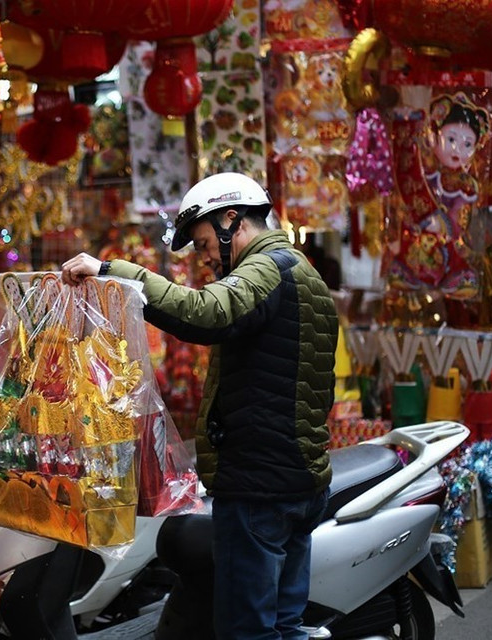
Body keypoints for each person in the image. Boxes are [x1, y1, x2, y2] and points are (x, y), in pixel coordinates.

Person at [62, 172, 337, 639]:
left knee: (245, 631)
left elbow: (205, 312)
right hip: (295, 479)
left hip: (260, 487)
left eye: (206, 243)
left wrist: (114, 273)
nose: (206, 258)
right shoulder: (301, 272)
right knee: (285, 627)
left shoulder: (268, 268)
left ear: (233, 219)